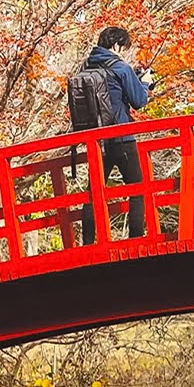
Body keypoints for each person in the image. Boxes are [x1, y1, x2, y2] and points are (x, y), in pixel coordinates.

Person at [80, 26, 153, 244]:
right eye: (123, 47)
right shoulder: (121, 67)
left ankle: (88, 244)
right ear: (116, 45)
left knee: (93, 192)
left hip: (96, 140)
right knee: (137, 189)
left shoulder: (85, 67)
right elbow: (139, 101)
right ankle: (136, 241)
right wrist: (146, 82)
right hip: (122, 137)